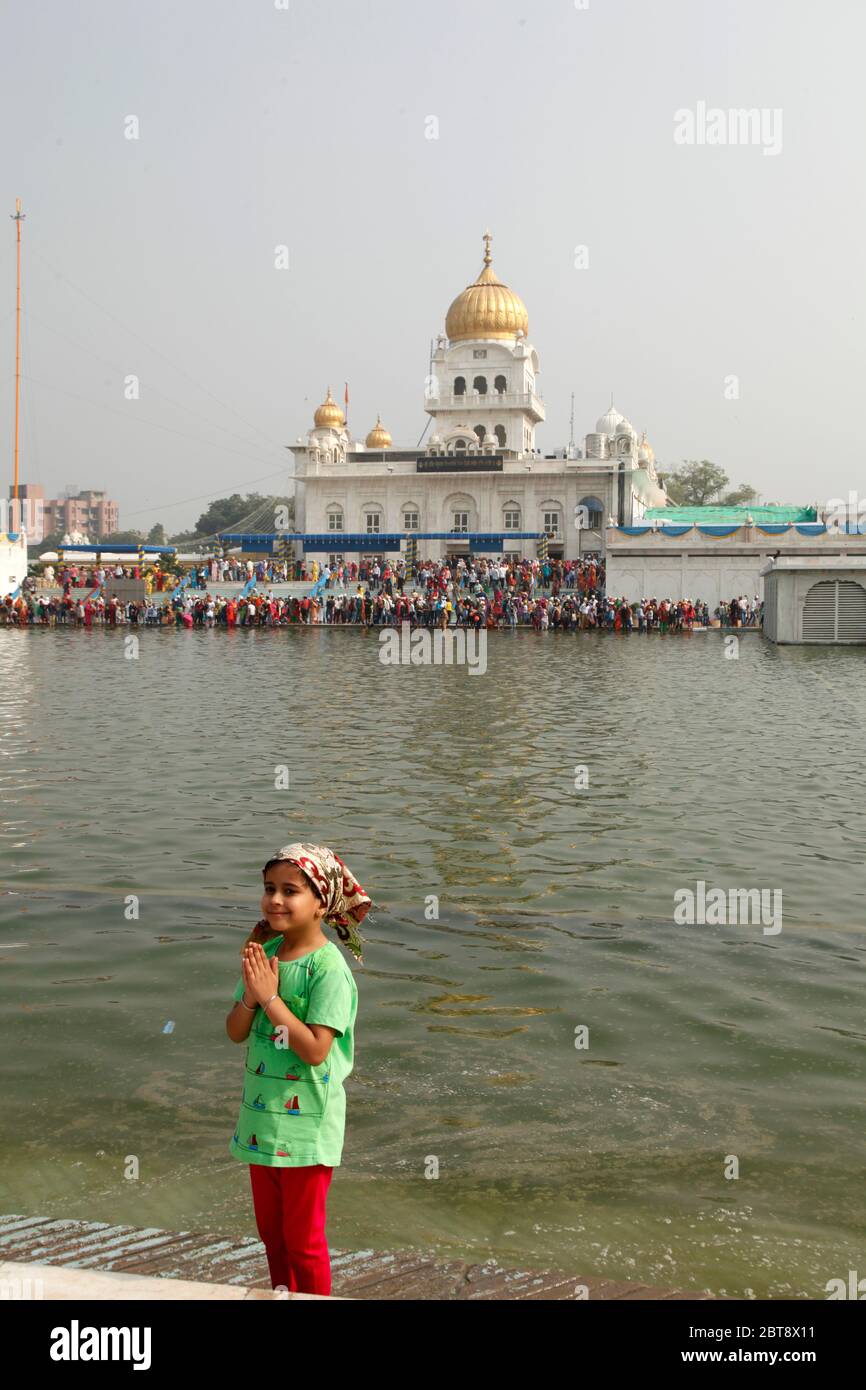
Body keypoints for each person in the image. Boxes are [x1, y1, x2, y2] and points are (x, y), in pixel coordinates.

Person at [226, 843, 372, 1297]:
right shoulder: (263, 953)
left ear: (322, 903)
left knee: (304, 1242)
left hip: (307, 1127)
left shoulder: (328, 969)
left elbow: (313, 1050)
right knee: (273, 1238)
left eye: (291, 890)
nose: (275, 900)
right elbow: (235, 1030)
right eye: (270, 888)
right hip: (260, 1121)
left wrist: (271, 999)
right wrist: (253, 995)